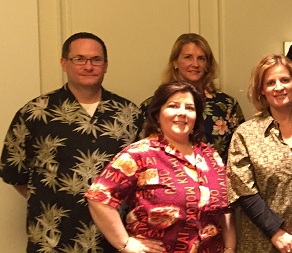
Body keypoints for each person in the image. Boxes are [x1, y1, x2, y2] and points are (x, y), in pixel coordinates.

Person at [0, 32, 142, 252]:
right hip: (52, 239)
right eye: (79, 59)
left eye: (96, 60)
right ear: (64, 63)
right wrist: (55, 197)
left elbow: (144, 176)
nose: (88, 66)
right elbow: (13, 172)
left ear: (106, 65)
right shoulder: (35, 113)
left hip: (113, 239)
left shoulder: (130, 114)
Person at [86, 81, 236, 253]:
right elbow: (98, 197)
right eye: (173, 106)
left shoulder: (211, 156)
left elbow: (225, 210)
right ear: (157, 114)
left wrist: (230, 248)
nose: (182, 113)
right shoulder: (139, 154)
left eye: (189, 108)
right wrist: (125, 243)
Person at [226, 55, 292, 253]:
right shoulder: (245, 134)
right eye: (270, 82)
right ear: (261, 90)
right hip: (262, 243)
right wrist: (277, 233)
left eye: (285, 80)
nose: (279, 87)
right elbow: (244, 191)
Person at [141, 33, 244, 162]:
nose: (195, 64)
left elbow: (240, 152)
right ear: (175, 62)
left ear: (207, 64)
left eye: (201, 58)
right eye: (188, 57)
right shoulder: (153, 105)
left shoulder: (227, 105)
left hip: (218, 178)